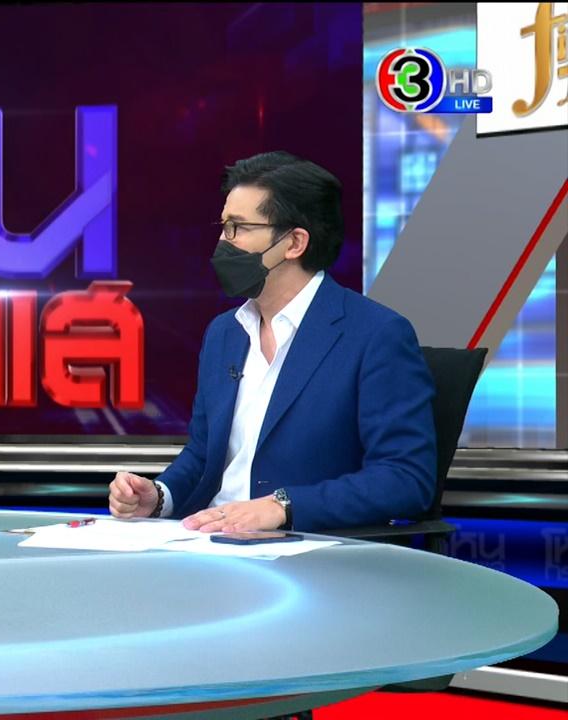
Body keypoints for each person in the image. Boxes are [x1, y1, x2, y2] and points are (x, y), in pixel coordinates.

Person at [108, 152, 436, 533]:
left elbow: (405, 477)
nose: (222, 241)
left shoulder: (376, 335)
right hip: (208, 543)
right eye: (223, 226)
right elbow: (203, 455)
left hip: (305, 550)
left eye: (237, 228)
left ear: (294, 242)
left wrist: (283, 507)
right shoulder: (224, 333)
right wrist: (159, 496)